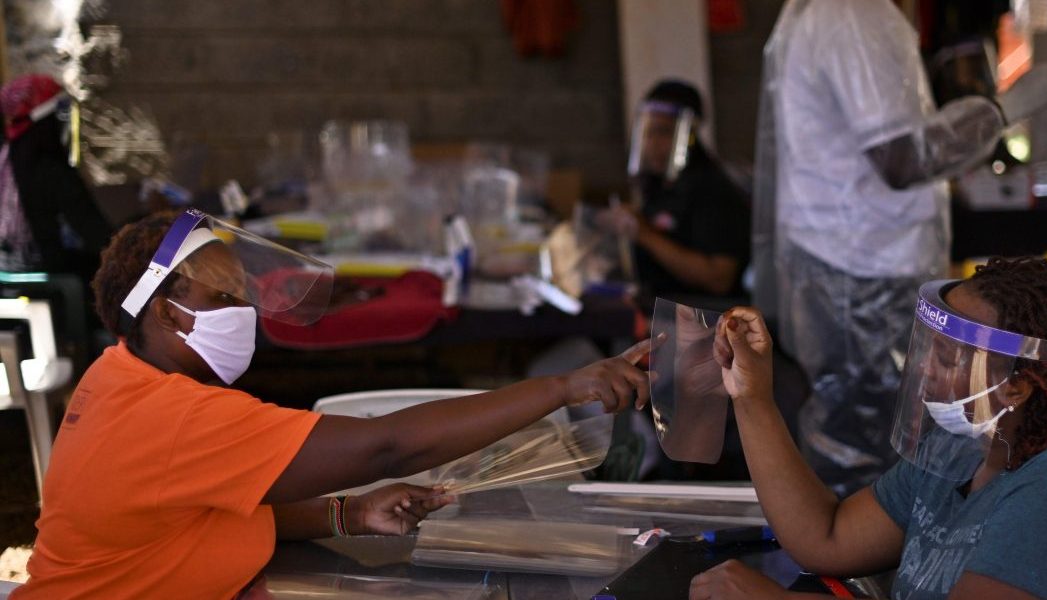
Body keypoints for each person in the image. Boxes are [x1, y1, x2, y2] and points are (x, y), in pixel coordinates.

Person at [13, 209, 651, 599]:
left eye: (242, 292)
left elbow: (193, 512)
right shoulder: (171, 416)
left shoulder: (119, 376)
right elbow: (387, 444)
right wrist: (563, 388)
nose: (244, 311)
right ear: (163, 313)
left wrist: (348, 514)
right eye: (222, 297)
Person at [688, 257, 1047, 599]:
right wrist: (752, 397)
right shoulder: (966, 448)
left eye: (947, 356)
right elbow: (828, 538)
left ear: (1017, 387)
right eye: (929, 347)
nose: (923, 370)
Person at [752, 0, 1047, 495]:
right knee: (867, 447)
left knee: (868, 433)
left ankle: (852, 554)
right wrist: (1003, 110)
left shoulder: (837, 12)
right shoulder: (855, 14)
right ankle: (853, 565)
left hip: (851, 257)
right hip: (864, 268)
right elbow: (902, 158)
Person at [601, 79, 752, 305]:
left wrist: (644, 233)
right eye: (647, 131)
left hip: (704, 323)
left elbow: (718, 279)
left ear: (688, 134)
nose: (653, 143)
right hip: (660, 311)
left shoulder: (713, 190)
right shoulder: (662, 186)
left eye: (664, 132)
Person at [0, 74, 112, 279]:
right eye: (62, 115)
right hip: (47, 282)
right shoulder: (51, 169)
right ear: (47, 121)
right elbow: (96, 234)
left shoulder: (6, 157)